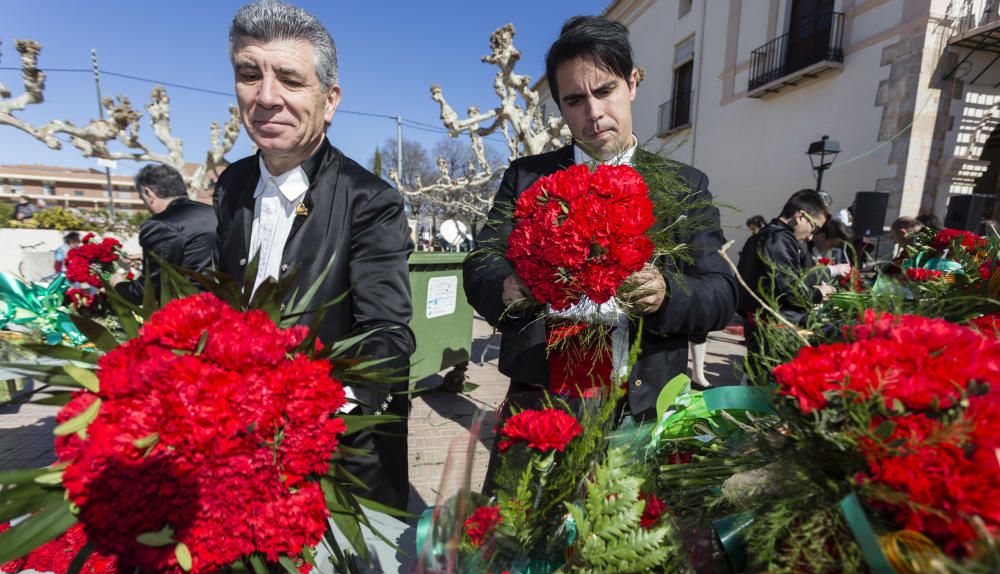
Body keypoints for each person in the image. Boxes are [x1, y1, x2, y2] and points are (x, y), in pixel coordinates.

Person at [464, 16, 736, 482]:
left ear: (632, 82)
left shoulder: (686, 188)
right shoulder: (528, 177)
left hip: (644, 407)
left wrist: (665, 294)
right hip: (546, 401)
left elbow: (721, 291)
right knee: (518, 545)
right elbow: (482, 261)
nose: (593, 113)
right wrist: (506, 287)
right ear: (561, 107)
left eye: (604, 91)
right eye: (574, 100)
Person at [214, 0, 415, 509]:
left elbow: (388, 335)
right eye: (248, 74)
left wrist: (306, 412)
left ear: (330, 100)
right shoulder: (230, 185)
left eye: (289, 78)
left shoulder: (372, 200)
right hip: (235, 456)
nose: (266, 97)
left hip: (341, 465)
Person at [737, 189, 834, 356]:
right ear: (800, 216)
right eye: (814, 227)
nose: (811, 236)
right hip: (772, 326)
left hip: (761, 323)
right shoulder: (778, 239)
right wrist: (818, 293)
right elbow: (790, 289)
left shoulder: (768, 235)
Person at [108, 164, 216, 303]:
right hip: (230, 311)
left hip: (192, 314)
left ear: (148, 193)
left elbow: (146, 292)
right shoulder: (215, 213)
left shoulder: (159, 225)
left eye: (142, 200)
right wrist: (145, 257)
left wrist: (116, 283)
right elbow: (198, 251)